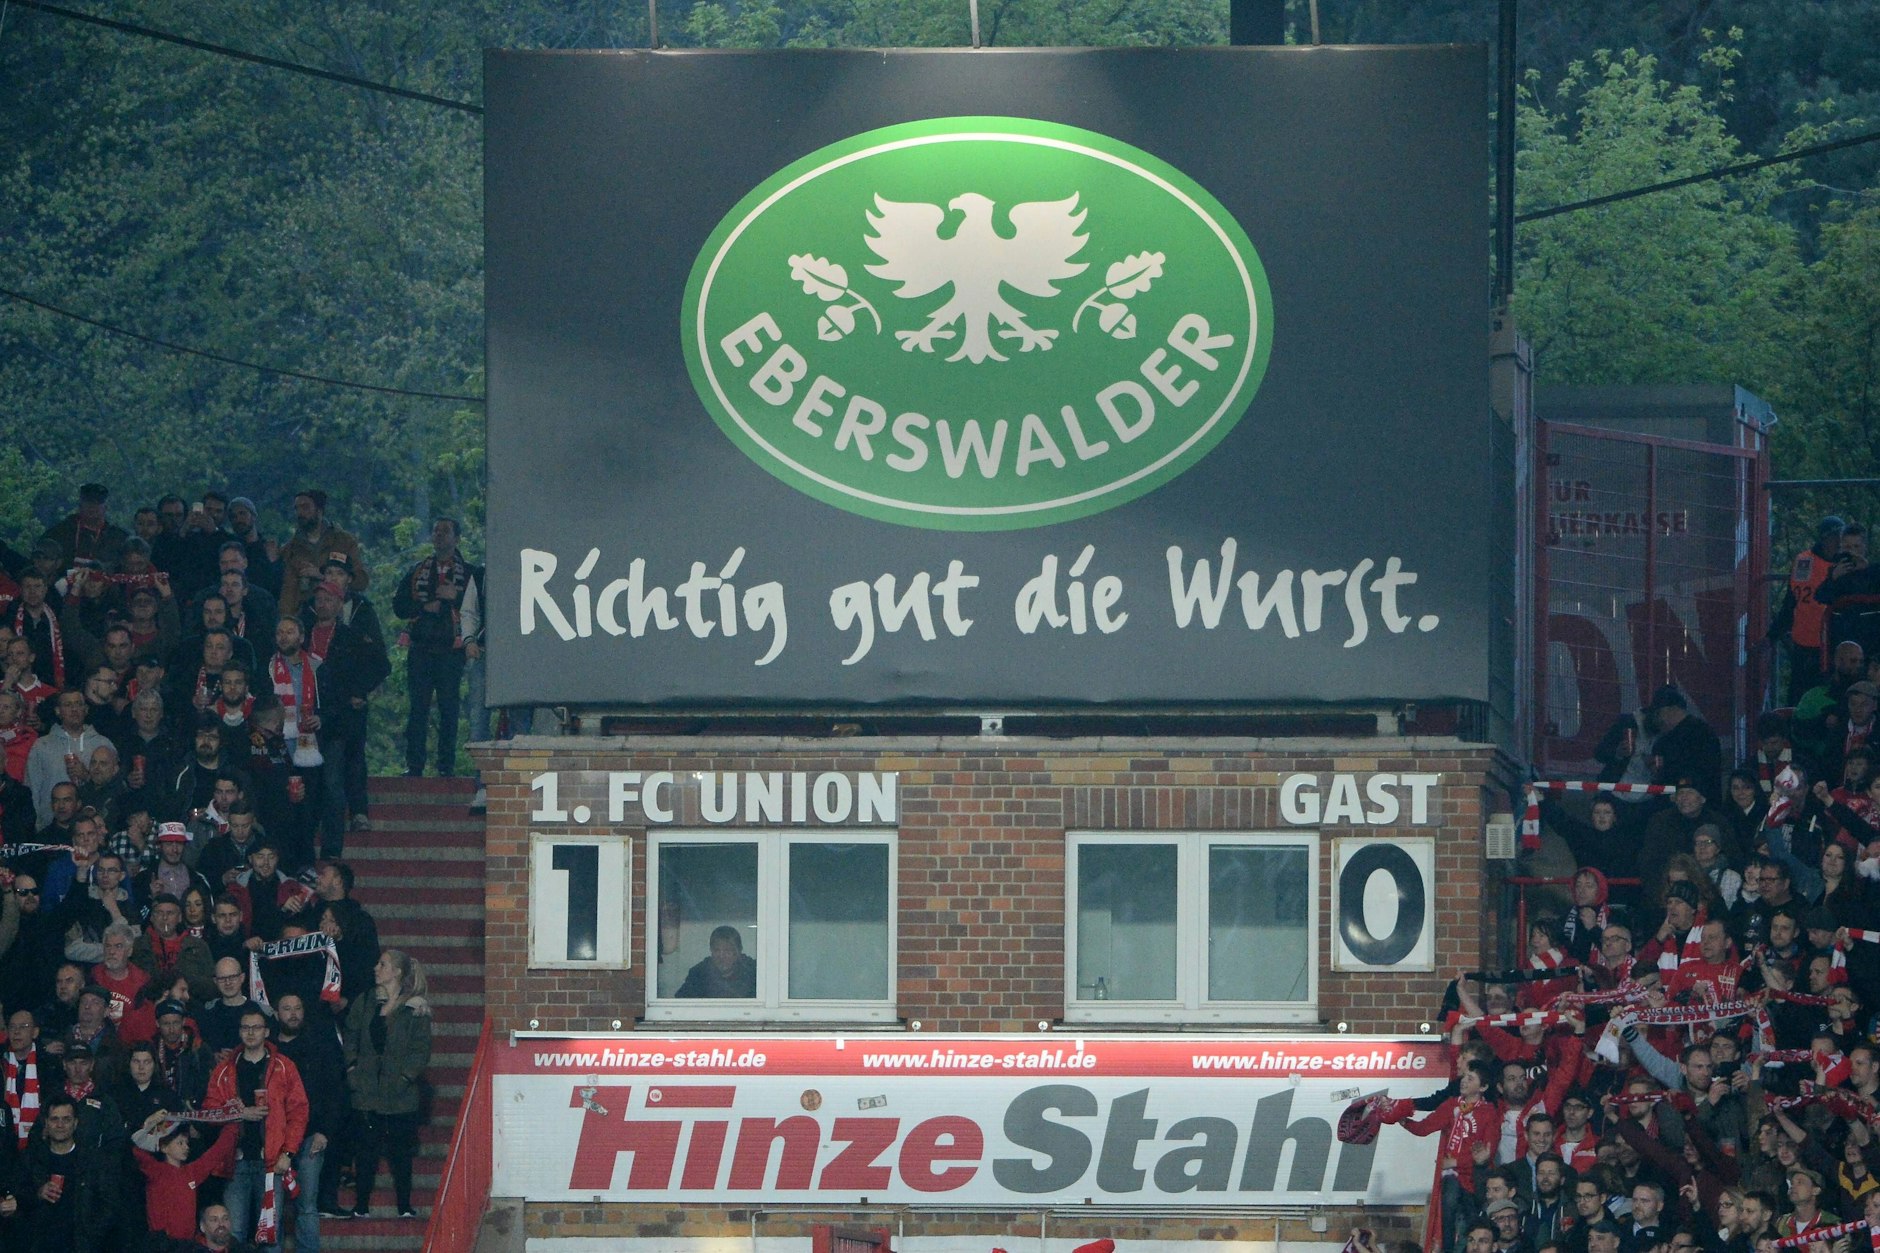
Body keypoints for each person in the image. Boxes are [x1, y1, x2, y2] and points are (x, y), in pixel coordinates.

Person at [205, 1007, 309, 1253]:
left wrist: (288, 1153)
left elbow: (299, 1112)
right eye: (245, 1027)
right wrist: (239, 1113)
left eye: (256, 1027)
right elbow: (209, 1111)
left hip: (271, 1163)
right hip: (236, 1162)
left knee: (271, 1235)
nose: (250, 1033)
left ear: (267, 1032)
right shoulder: (224, 1070)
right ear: (239, 1031)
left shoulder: (284, 1067)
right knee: (235, 1233)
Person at [343, 949, 431, 1219]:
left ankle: (404, 1204)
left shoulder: (414, 1007)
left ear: (397, 972)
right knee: (365, 1150)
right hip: (367, 1091)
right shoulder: (366, 1000)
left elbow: (420, 1049)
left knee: (400, 1154)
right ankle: (361, 1205)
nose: (376, 968)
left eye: (382, 964)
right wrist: (352, 1067)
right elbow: (351, 1034)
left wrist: (405, 1077)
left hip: (399, 1094)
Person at [393, 519, 477, 779]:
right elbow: (399, 606)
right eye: (436, 530)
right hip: (421, 647)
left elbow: (480, 607)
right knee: (418, 708)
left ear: (457, 538)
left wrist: (457, 597)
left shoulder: (471, 573)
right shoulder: (418, 570)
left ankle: (446, 767)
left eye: (445, 531)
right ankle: (414, 765)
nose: (439, 535)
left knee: (449, 709)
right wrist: (423, 607)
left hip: (451, 650)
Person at [272, 990, 342, 1241]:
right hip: (275, 1139)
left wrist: (325, 1131)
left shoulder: (318, 1047)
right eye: (287, 1008)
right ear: (276, 1013)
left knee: (307, 1206)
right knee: (274, 1207)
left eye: (297, 1008)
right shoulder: (269, 1049)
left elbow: (333, 1092)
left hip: (311, 1135)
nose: (292, 1014)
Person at [20, 1095, 117, 1252]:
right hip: (40, 1245)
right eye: (54, 1119)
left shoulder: (94, 1161)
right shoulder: (31, 1159)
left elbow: (108, 1205)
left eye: (66, 1119)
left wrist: (92, 1237)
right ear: (45, 1123)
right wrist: (37, 1193)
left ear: (76, 1123)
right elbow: (19, 1199)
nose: (60, 1125)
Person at [131, 1108, 239, 1242]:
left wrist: (234, 1121)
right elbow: (134, 1146)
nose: (186, 1147)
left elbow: (217, 1153)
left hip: (187, 1244)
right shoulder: (155, 1170)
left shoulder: (191, 1172)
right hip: (162, 1245)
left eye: (187, 1143)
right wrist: (149, 1124)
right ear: (164, 1148)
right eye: (180, 1143)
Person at [278, 491, 367, 621]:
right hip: (305, 618)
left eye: (305, 507)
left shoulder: (344, 541)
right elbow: (287, 593)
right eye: (297, 508)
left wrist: (323, 576)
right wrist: (287, 621)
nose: (300, 513)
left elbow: (361, 581)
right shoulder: (291, 549)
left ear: (319, 510)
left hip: (340, 616)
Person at [676, 925, 757, 998]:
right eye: (717, 950)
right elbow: (681, 1003)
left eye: (727, 951)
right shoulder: (698, 974)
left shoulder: (752, 971)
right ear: (711, 950)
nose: (721, 956)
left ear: (738, 952)